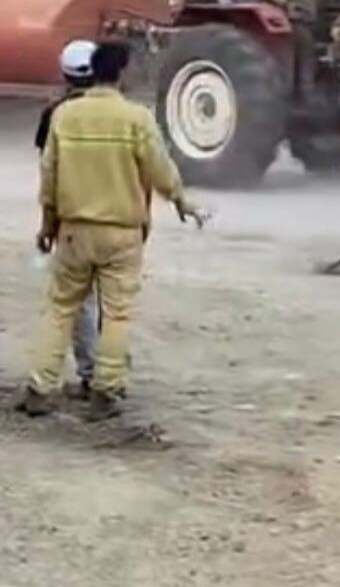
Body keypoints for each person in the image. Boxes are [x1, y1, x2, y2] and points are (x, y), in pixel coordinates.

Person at [18, 41, 206, 421]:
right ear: (121, 73)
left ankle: (40, 389)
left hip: (74, 232)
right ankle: (105, 391)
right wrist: (181, 201)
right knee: (116, 314)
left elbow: (49, 176)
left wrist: (47, 226)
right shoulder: (136, 118)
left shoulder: (64, 116)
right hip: (122, 234)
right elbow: (160, 168)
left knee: (61, 309)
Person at [34, 40, 100, 399]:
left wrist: (48, 224)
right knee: (115, 304)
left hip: (74, 222)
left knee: (74, 301)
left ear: (64, 73)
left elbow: (49, 175)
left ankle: (89, 375)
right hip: (121, 222)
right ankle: (111, 375)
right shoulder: (127, 113)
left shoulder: (55, 115)